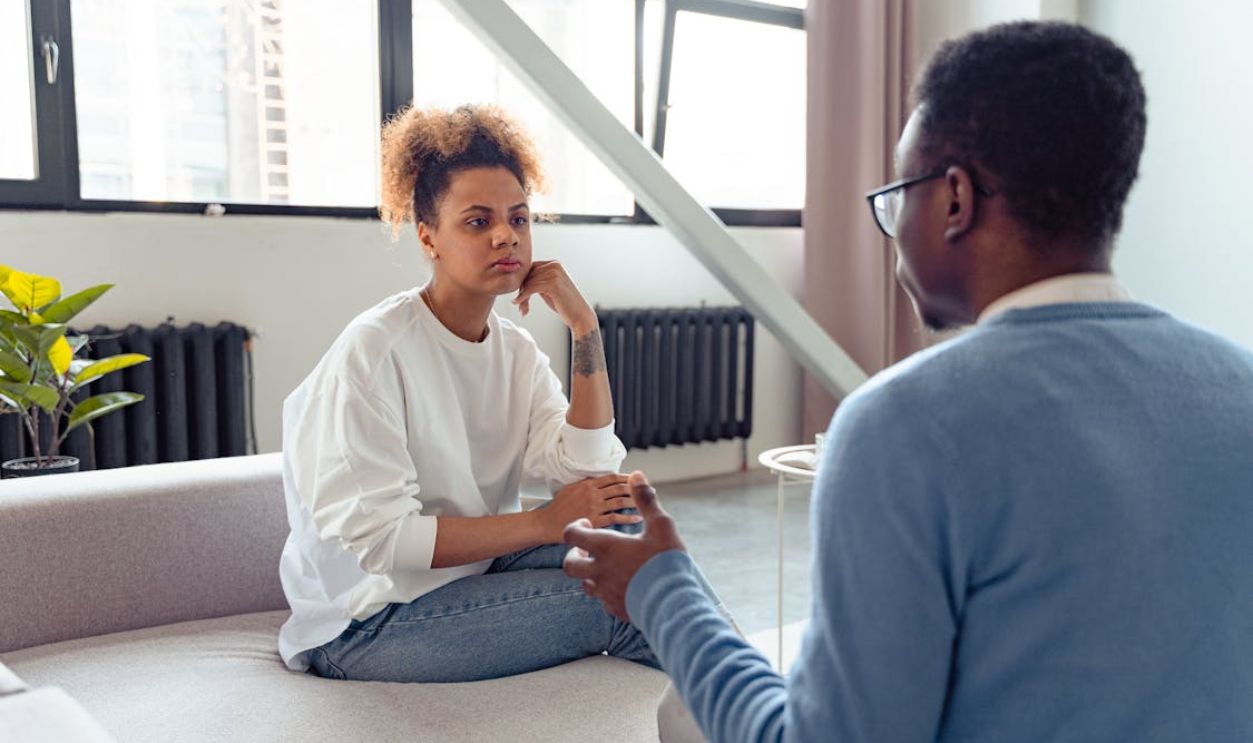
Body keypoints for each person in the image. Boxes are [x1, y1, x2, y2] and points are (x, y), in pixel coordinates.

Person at [564, 20, 1253, 742]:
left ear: (954, 199)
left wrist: (663, 588)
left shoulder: (904, 425)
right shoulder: (1237, 384)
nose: (891, 226)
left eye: (897, 196)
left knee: (679, 715)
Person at [276, 103, 661, 682]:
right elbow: (387, 543)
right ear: (429, 238)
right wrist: (542, 523)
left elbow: (586, 468)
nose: (506, 235)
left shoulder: (513, 350)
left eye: (520, 218)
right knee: (624, 603)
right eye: (478, 222)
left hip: (472, 573)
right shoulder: (374, 351)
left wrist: (585, 328)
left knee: (641, 543)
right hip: (368, 622)